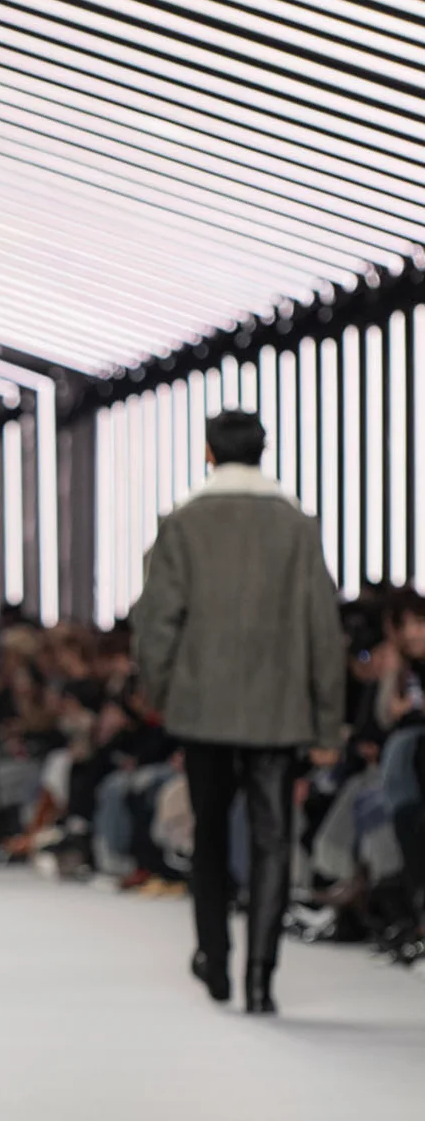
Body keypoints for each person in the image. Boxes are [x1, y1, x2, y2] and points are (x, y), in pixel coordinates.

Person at [133, 409, 345, 1013]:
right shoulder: (297, 526)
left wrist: (161, 693)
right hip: (279, 708)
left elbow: (158, 621)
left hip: (203, 705)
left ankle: (216, 959)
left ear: (209, 452)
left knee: (209, 832)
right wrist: (327, 720)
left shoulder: (183, 524)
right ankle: (259, 978)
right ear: (263, 450)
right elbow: (322, 627)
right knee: (272, 839)